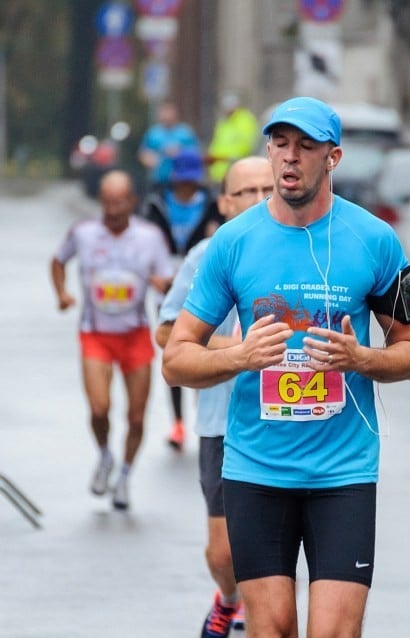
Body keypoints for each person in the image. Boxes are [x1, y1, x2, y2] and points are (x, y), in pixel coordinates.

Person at [162, 96, 410, 637]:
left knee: (333, 633)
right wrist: (239, 356)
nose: (290, 157)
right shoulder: (232, 244)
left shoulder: (374, 240)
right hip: (257, 470)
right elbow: (175, 357)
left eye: (305, 146)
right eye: (280, 144)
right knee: (273, 629)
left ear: (333, 157)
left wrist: (362, 359)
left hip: (344, 471)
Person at [155, 156, 274, 638]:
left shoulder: (304, 251)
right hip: (223, 423)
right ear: (225, 203)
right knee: (223, 554)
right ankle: (228, 598)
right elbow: (167, 333)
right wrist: (242, 352)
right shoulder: (206, 255)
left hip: (288, 423)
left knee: (274, 557)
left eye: (270, 189)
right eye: (248, 192)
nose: (261, 201)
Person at [51, 170, 174, 510]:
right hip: (96, 334)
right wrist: (62, 293)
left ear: (132, 201)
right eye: (106, 202)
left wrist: (164, 291)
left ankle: (123, 475)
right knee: (100, 407)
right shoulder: (84, 233)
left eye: (119, 202)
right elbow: (58, 261)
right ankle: (105, 454)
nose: (112, 209)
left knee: (136, 417)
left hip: (135, 335)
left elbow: (167, 281)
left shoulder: (150, 237)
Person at [141, 148, 223, 451]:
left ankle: (204, 411)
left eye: (191, 182)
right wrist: (153, 275)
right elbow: (143, 244)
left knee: (202, 346)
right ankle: (177, 422)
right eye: (181, 183)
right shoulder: (155, 204)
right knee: (173, 348)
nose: (186, 188)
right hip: (166, 285)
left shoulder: (213, 204)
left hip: (202, 282)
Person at [138, 101, 200, 190]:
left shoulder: (185, 132)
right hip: (159, 179)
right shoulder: (153, 133)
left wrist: (180, 152)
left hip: (181, 180)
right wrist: (148, 159)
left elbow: (196, 153)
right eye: (164, 112)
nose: (167, 115)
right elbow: (143, 153)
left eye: (169, 112)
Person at [205, 91, 259, 185]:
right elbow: (216, 143)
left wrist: (224, 158)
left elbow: (247, 146)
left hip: (235, 172)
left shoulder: (245, 120)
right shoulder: (223, 122)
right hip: (219, 175)